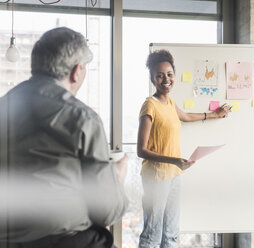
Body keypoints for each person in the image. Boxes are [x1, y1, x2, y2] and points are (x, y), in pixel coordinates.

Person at [0, 27, 128, 248]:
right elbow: (106, 212)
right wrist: (116, 177)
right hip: (62, 241)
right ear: (77, 71)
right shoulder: (82, 117)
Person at [137, 50, 231, 248]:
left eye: (170, 74)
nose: (166, 79)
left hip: (174, 176)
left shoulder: (170, 102)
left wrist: (215, 115)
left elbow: (186, 117)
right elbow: (141, 150)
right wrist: (174, 160)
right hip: (156, 178)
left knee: (171, 234)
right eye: (160, 75)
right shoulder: (149, 105)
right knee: (152, 235)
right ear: (152, 78)